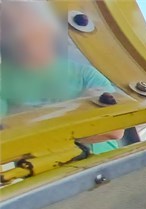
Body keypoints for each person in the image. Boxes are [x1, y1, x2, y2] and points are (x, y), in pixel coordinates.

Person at [1, 0, 123, 154]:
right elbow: (4, 134)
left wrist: (34, 124)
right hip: (39, 166)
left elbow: (114, 130)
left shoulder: (85, 74)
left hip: (103, 162)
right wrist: (77, 113)